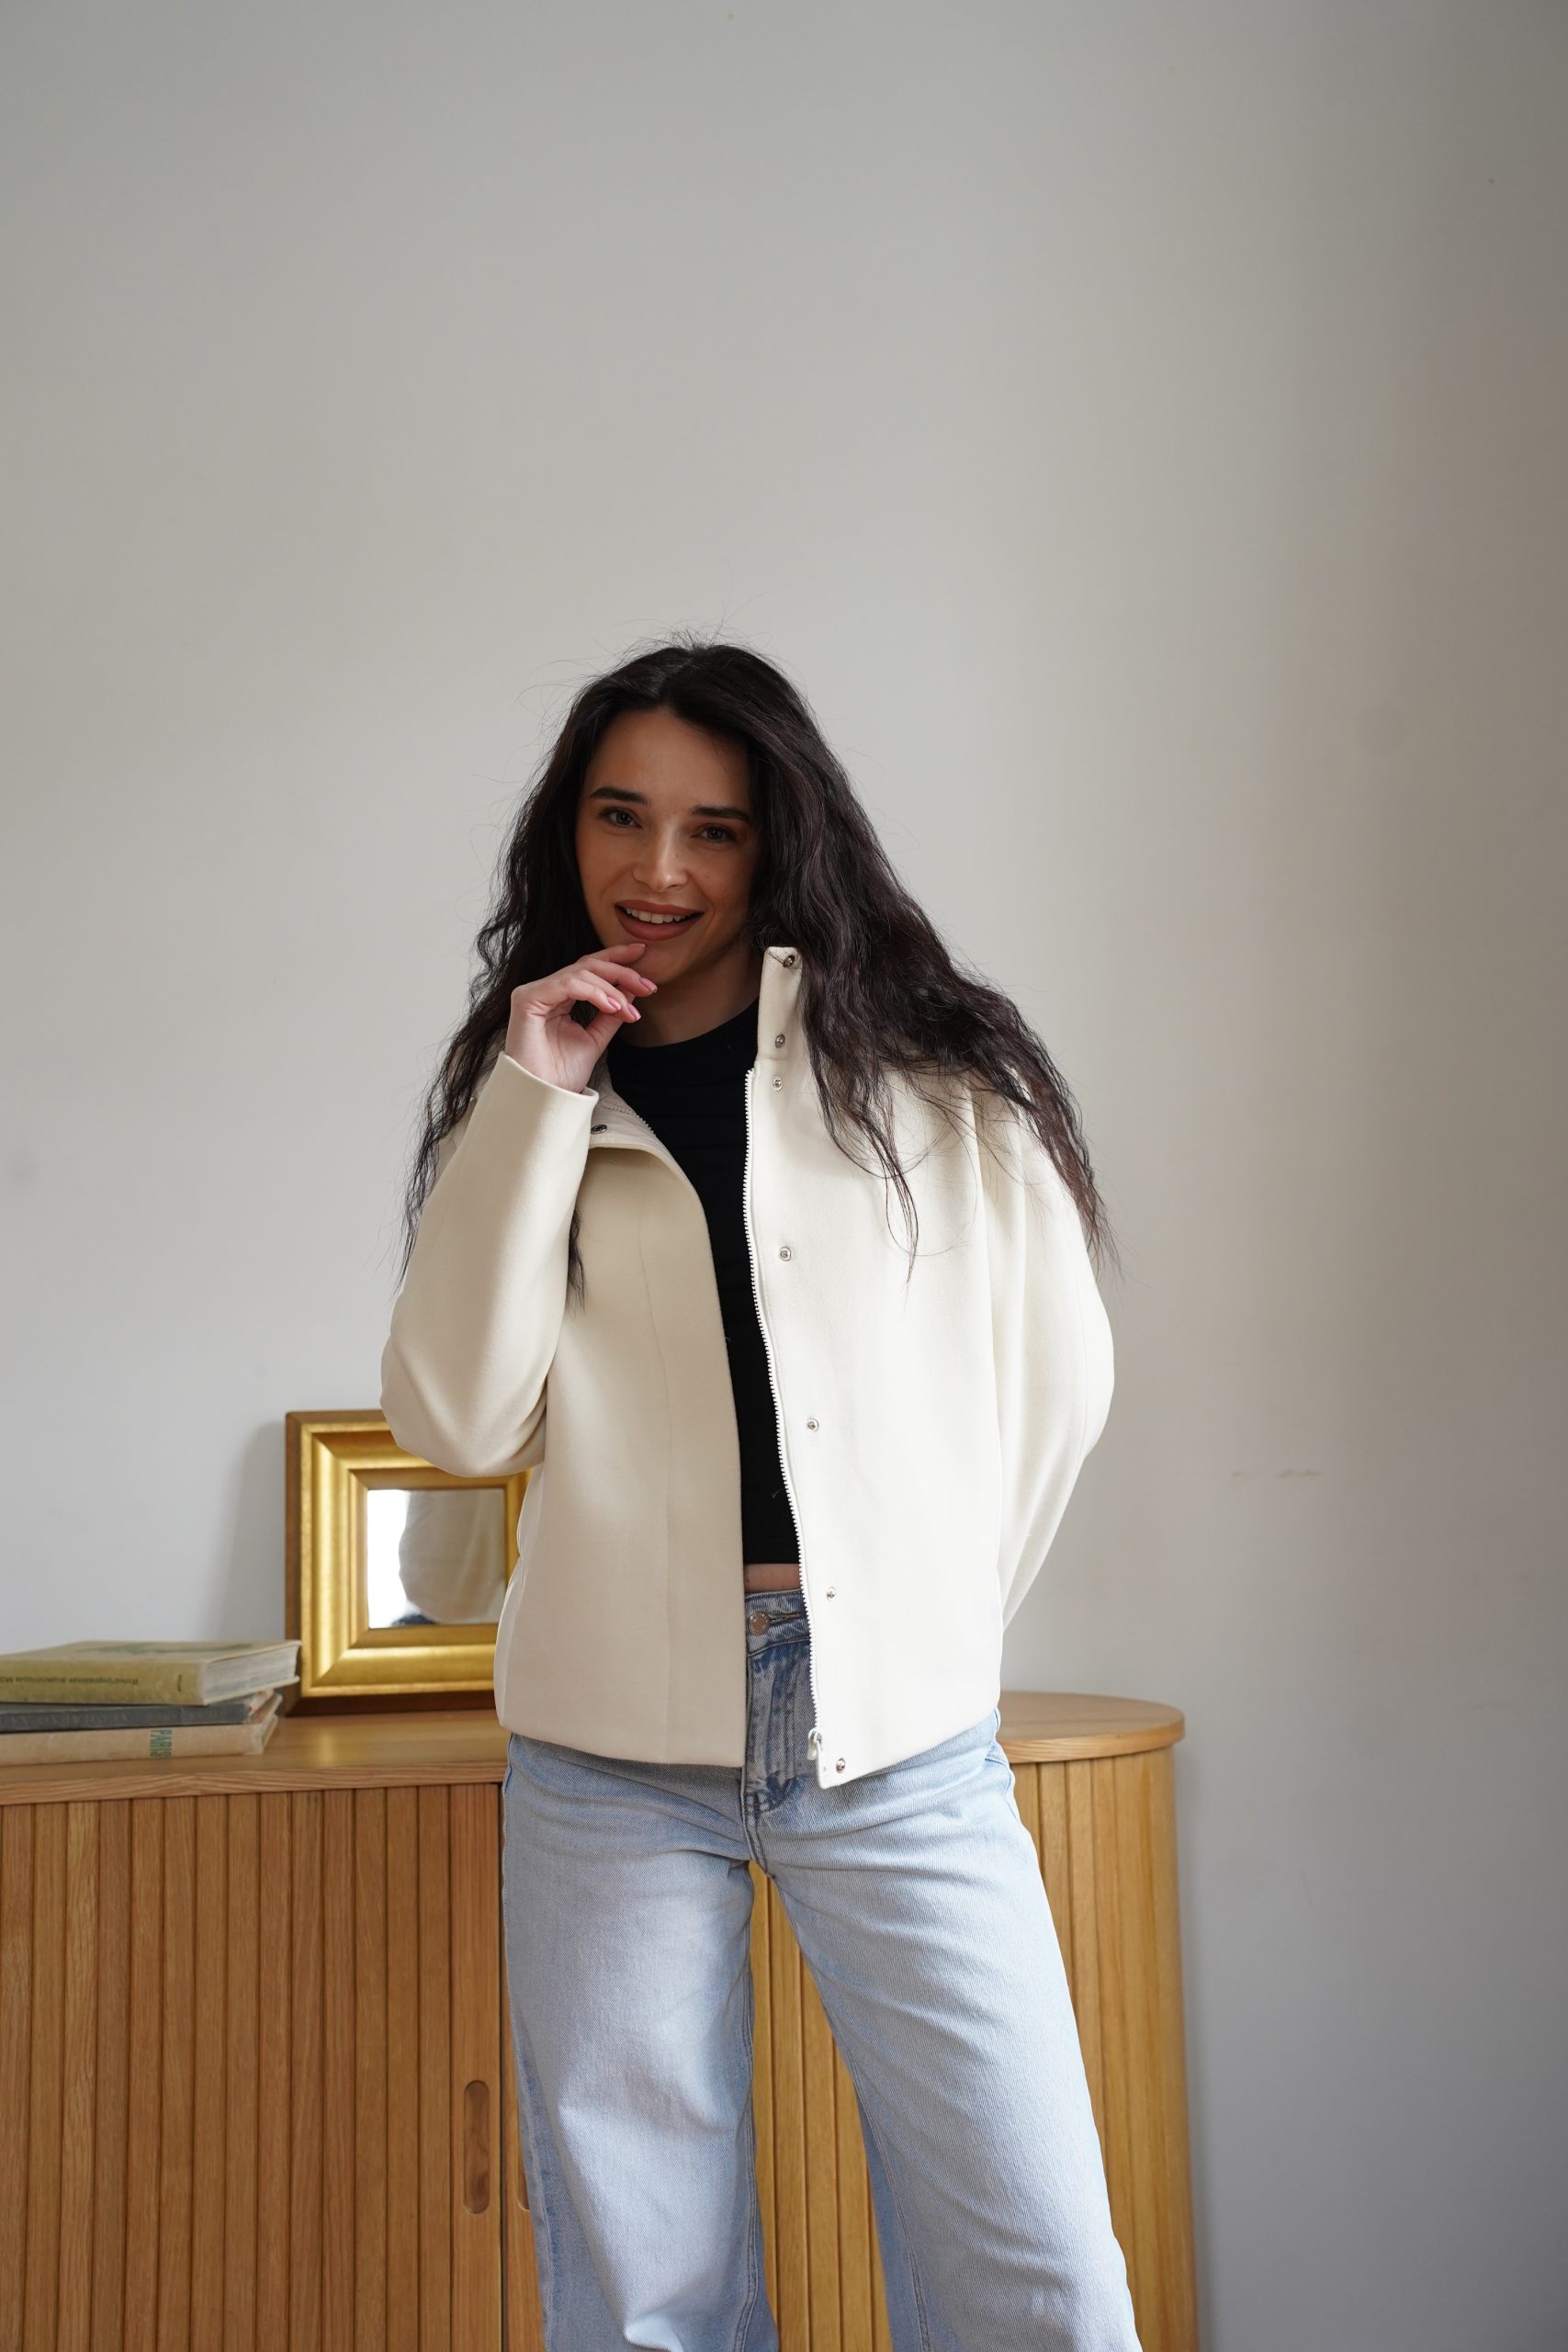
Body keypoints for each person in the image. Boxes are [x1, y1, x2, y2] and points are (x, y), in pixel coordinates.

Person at [379, 636, 1142, 2351]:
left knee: (1037, 2269)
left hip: (899, 1741)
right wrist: (536, 1093)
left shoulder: (935, 1074)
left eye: (712, 829)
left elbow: (1055, 1388)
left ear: (779, 837)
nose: (657, 869)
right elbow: (459, 1417)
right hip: (608, 1757)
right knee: (645, 2292)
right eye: (620, 816)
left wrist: (917, 1627)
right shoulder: (532, 1084)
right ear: (567, 830)